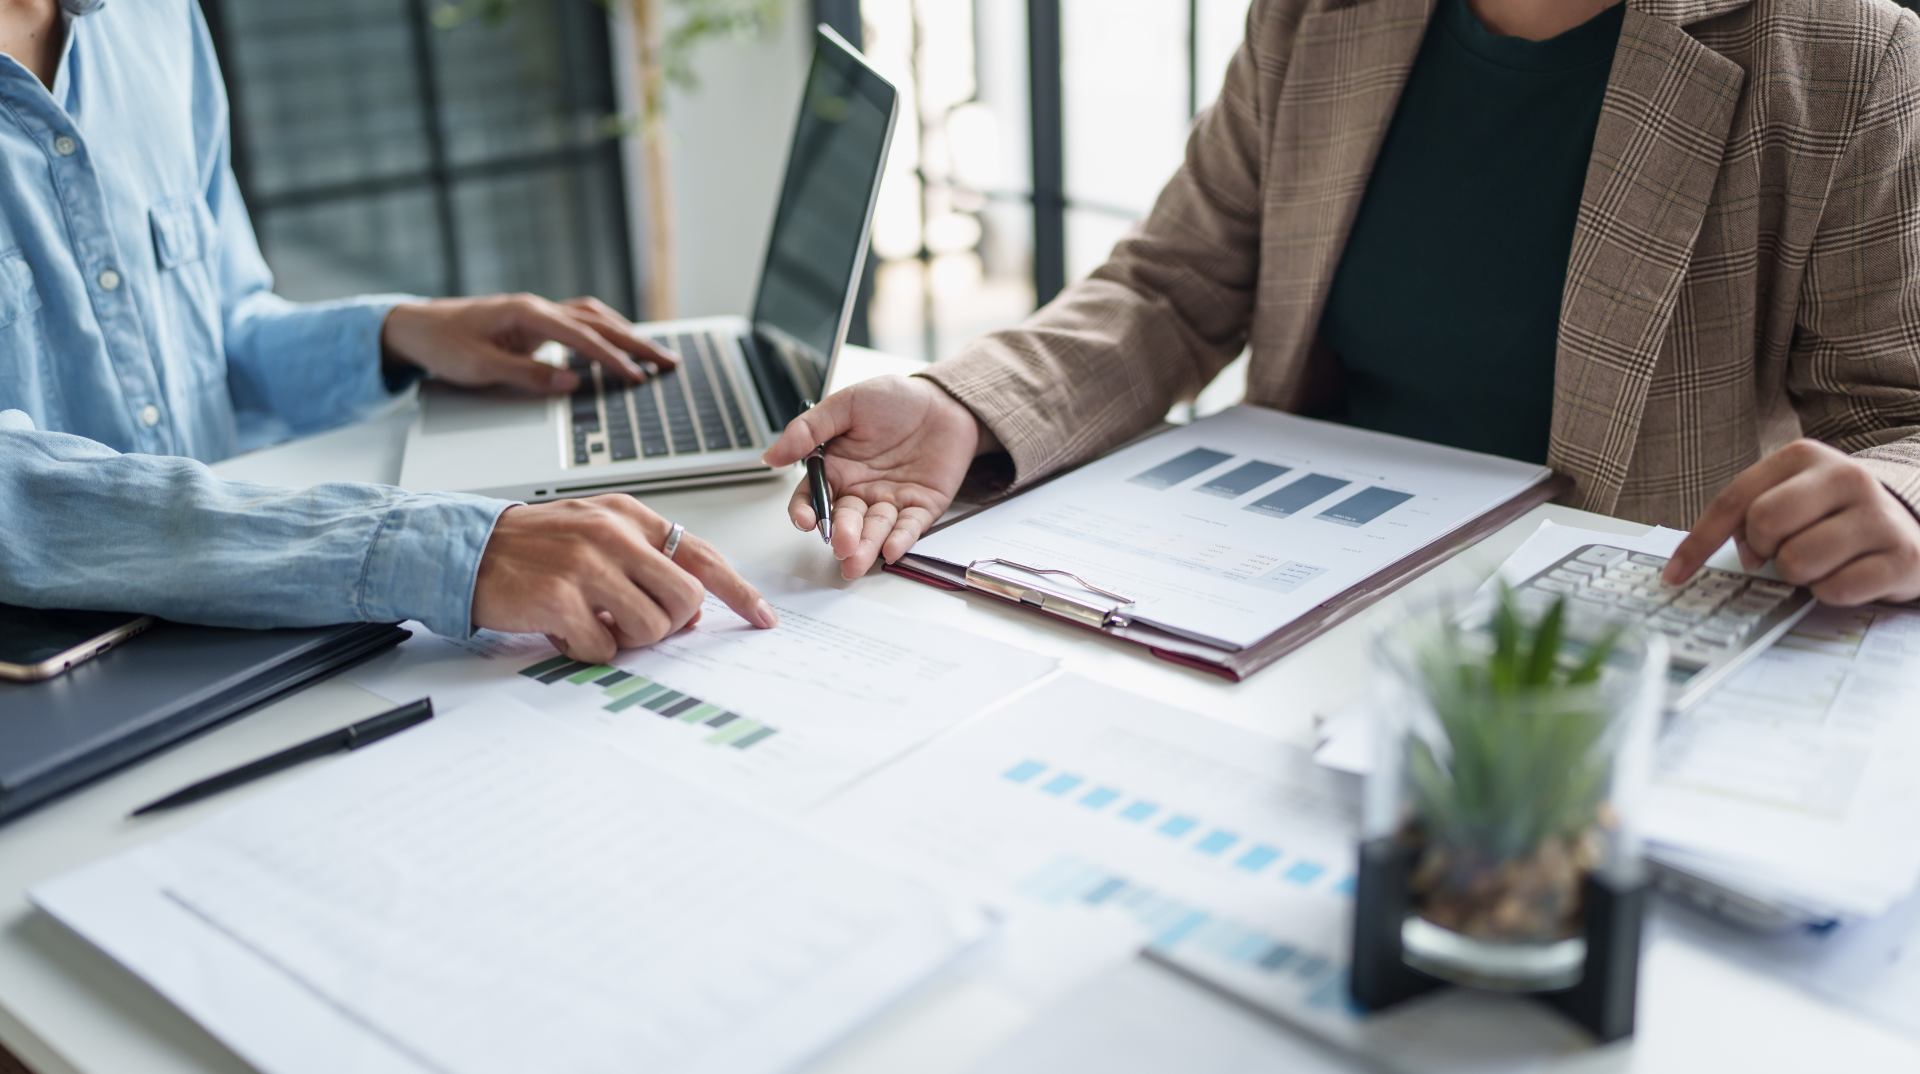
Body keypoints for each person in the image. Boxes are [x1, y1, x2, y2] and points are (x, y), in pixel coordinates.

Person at [766, 0, 1920, 609]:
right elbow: (1173, 284)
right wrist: (964, 406)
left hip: (1597, 638)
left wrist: (1896, 504)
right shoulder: (1318, 14)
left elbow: (1897, 415)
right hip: (1289, 585)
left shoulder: (1845, 55)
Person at [0, 0, 775, 664]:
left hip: (248, 612)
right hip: (62, 660)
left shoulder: (153, 16)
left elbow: (221, 326)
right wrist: (447, 551)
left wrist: (401, 334)